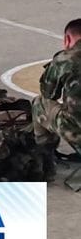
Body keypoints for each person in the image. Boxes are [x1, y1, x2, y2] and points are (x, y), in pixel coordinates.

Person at [33, 19, 81, 157]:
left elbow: (48, 93)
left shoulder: (65, 59)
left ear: (67, 39)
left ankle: (46, 161)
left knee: (40, 104)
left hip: (77, 132)